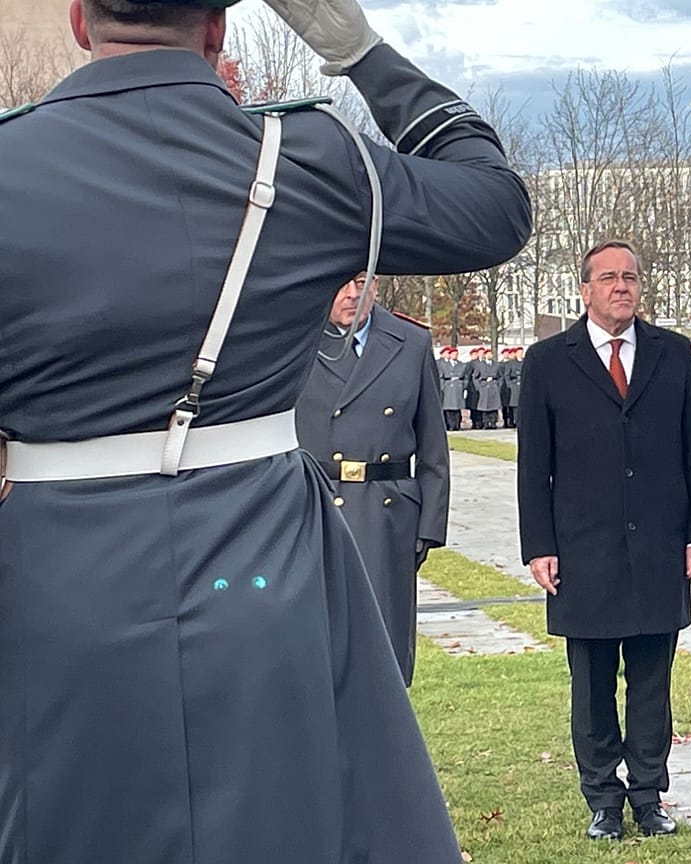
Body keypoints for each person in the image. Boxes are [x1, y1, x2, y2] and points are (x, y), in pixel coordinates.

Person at [0, 0, 531, 861]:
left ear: (76, 21)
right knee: (290, 819)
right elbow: (495, 203)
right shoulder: (305, 156)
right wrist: (357, 50)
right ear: (216, 30)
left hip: (55, 572)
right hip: (261, 565)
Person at [517, 239, 691, 842]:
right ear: (585, 290)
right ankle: (603, 797)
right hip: (583, 549)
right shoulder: (549, 360)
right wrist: (539, 545)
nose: (622, 287)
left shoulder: (673, 353)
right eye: (608, 277)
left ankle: (649, 795)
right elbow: (534, 463)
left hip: (660, 546)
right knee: (593, 684)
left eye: (630, 277)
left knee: (653, 683)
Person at [295, 272, 450, 686]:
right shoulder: (296, 340)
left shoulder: (410, 343)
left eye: (361, 281)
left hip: (387, 514)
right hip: (316, 509)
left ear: (377, 286)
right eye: (341, 282)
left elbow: (433, 446)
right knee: (320, 650)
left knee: (384, 652)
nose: (351, 293)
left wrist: (429, 528)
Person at [469, 345, 501, 429]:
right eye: (488, 354)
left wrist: (498, 385)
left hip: (493, 386)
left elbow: (501, 376)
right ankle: (486, 423)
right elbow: (475, 376)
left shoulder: (496, 364)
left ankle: (493, 422)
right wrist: (478, 387)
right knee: (485, 406)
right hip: (484, 386)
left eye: (491, 354)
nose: (490, 356)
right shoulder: (480, 365)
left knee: (494, 407)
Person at [437, 345, 468, 430]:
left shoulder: (461, 364)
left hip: (458, 386)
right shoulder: (443, 365)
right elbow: (441, 377)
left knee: (457, 408)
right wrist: (443, 387)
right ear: (450, 355)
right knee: (449, 408)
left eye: (456, 354)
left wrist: (463, 386)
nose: (455, 355)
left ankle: (457, 425)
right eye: (453, 354)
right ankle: (450, 425)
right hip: (448, 387)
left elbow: (466, 377)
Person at [497, 345, 522, 429]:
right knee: (509, 405)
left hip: (520, 385)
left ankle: (516, 421)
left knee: (518, 404)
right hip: (509, 387)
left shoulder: (524, 361)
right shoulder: (509, 364)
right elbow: (506, 375)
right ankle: (509, 421)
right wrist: (510, 385)